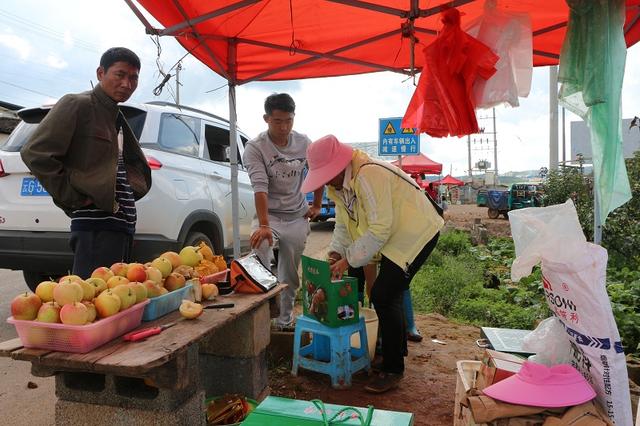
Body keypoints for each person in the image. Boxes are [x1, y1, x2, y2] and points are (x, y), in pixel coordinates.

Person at [302, 135, 443, 394]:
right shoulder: (339, 186)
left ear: (336, 167)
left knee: (383, 294)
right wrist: (335, 252)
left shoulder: (369, 175)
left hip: (417, 231)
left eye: (325, 174)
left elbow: (379, 228)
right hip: (395, 235)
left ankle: (392, 369)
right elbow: (344, 225)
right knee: (390, 294)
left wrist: (347, 260)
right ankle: (394, 351)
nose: (323, 182)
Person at [21, 47, 151, 279]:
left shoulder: (114, 115)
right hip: (96, 227)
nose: (127, 84)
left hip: (119, 226)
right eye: (120, 75)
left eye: (133, 78)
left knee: (113, 302)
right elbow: (35, 153)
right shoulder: (77, 104)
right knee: (90, 305)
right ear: (101, 73)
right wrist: (75, 198)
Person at [243, 93, 323, 330]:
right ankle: (261, 321)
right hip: (269, 216)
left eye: (289, 120)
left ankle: (284, 321)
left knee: (290, 274)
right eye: (278, 121)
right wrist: (265, 225)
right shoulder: (255, 147)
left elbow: (317, 172)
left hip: (296, 215)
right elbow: (260, 187)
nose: (284, 127)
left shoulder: (304, 143)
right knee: (261, 256)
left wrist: (317, 204)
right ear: (266, 119)